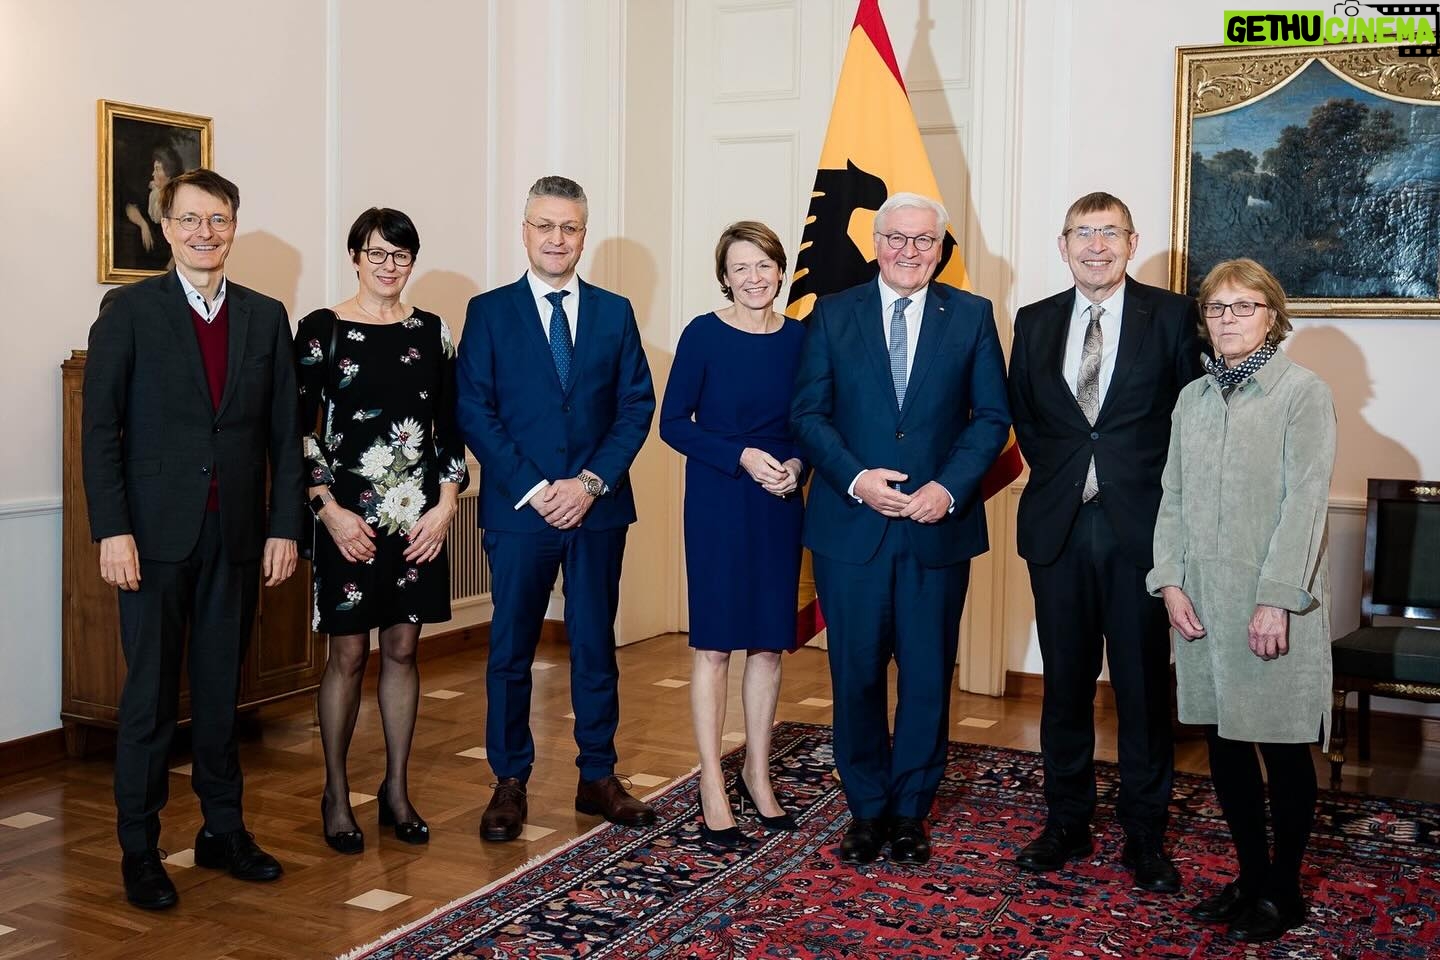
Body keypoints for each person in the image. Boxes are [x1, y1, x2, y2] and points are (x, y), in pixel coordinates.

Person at [82, 168, 302, 909]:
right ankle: (140, 848)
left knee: (219, 695)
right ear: (168, 227)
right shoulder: (129, 311)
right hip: (151, 540)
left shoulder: (266, 316)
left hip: (235, 537)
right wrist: (112, 529)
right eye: (189, 220)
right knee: (148, 699)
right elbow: (100, 431)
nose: (205, 233)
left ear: (234, 226)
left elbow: (284, 435)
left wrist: (283, 526)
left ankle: (222, 831)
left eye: (218, 220)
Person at [790, 192, 1010, 866]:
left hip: (935, 529)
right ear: (876, 243)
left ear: (941, 249)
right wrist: (856, 479)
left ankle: (911, 810)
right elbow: (808, 414)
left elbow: (991, 417)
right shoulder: (832, 313)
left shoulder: (971, 315)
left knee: (926, 677)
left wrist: (948, 488)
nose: (908, 251)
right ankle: (866, 809)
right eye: (896, 238)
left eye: (923, 240)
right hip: (851, 529)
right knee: (854, 676)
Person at [1006, 192, 1204, 892]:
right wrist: (1072, 477)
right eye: (1083, 233)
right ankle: (1066, 821)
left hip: (1141, 530)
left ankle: (1145, 833)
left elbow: (1191, 418)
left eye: (1110, 233)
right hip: (1059, 525)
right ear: (1062, 245)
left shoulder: (1172, 316)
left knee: (1143, 689)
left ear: (1131, 243)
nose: (1096, 245)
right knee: (1063, 685)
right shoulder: (1033, 321)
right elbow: (1027, 416)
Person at [456, 175, 657, 841]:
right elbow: (475, 410)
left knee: (595, 645)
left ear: (583, 235)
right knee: (511, 649)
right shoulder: (489, 312)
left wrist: (590, 483)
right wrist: (538, 489)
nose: (556, 238)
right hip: (521, 511)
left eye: (569, 227)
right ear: (525, 232)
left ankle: (597, 774)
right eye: (544, 225)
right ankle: (509, 780)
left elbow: (635, 405)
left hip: (597, 510)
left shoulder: (614, 312)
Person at [1148, 258, 1336, 943]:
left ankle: (1284, 889)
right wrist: (1170, 580)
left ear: (1272, 315)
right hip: (1203, 600)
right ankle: (1250, 877)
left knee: (1281, 746)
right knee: (1223, 744)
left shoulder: (1303, 393)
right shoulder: (1192, 399)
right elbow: (1172, 495)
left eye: (1243, 306)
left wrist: (1275, 600)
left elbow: (1305, 504)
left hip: (1272, 601)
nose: (1228, 318)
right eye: (1216, 307)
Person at [294, 208, 469, 854]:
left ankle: (395, 790)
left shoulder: (433, 331)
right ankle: (336, 794)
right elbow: (301, 431)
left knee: (402, 650)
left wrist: (446, 507)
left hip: (417, 520)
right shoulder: (322, 329)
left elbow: (450, 429)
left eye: (401, 255)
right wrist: (327, 510)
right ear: (354, 257)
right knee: (347, 655)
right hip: (345, 521)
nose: (389, 266)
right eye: (377, 253)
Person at [659, 221, 806, 848]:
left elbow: (812, 421)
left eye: (764, 265)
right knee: (716, 646)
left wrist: (797, 464)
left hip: (779, 502)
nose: (754, 277)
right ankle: (713, 782)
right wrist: (740, 455)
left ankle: (757, 772)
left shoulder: (801, 338)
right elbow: (673, 423)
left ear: (780, 270)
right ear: (724, 276)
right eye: (740, 267)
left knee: (768, 645)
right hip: (719, 499)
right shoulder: (703, 334)